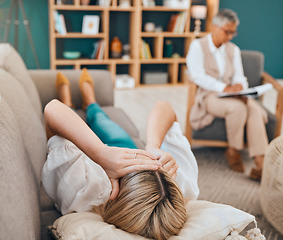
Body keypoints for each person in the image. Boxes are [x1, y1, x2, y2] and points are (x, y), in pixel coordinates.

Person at [42, 69, 199, 239]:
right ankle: (90, 102)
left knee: (71, 116)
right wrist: (153, 146)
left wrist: (99, 153)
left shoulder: (85, 192)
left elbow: (53, 109)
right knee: (101, 119)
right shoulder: (181, 185)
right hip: (123, 149)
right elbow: (164, 106)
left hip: (85, 152)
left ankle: (69, 102)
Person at [186, 9, 268, 180]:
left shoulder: (233, 50)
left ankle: (261, 165)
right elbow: (198, 76)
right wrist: (224, 88)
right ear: (214, 27)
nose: (230, 36)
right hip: (209, 96)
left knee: (256, 111)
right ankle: (233, 150)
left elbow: (240, 75)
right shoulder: (197, 46)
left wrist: (240, 86)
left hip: (233, 94)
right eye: (227, 31)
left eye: (233, 32)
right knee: (238, 109)